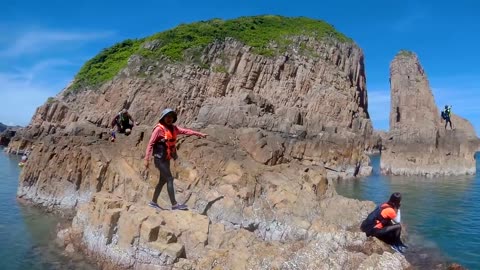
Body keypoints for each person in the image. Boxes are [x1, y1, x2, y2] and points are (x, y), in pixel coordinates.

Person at [144, 108, 207, 210]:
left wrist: (200, 134)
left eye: (171, 117)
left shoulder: (174, 129)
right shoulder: (158, 129)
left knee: (162, 181)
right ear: (163, 118)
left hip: (167, 158)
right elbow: (150, 144)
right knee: (169, 178)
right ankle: (174, 204)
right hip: (159, 159)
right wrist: (146, 159)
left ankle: (153, 202)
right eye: (167, 117)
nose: (169, 119)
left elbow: (187, 131)